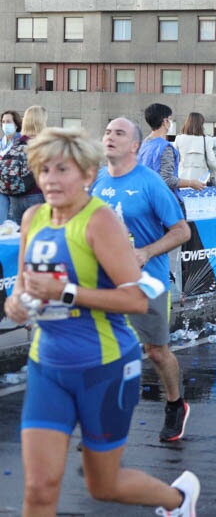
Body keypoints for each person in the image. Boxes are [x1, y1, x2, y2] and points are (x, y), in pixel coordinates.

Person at [3, 128, 199, 516]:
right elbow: (25, 285)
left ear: (88, 175)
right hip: (48, 367)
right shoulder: (32, 218)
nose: (51, 180)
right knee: (39, 489)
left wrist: (67, 293)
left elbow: (136, 299)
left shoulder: (100, 222)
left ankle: (179, 500)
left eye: (63, 169)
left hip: (103, 367)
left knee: (103, 485)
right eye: (44, 170)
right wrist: (16, 302)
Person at [94, 117, 193, 441]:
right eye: (108, 131)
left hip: (147, 282)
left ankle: (175, 404)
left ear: (135, 145)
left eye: (119, 133)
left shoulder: (150, 183)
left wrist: (147, 252)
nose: (110, 137)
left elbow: (181, 231)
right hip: (106, 283)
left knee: (155, 351)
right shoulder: (97, 181)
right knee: (103, 351)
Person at [137, 103, 205, 201]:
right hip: (162, 201)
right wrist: (191, 183)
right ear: (165, 121)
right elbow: (167, 180)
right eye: (170, 119)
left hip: (145, 197)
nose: (171, 122)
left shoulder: (143, 145)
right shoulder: (165, 147)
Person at [4, 105, 47, 224]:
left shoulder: (17, 142)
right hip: (36, 196)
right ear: (41, 122)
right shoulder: (43, 144)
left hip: (15, 198)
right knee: (37, 234)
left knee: (19, 235)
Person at [175, 112, 216, 186]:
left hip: (182, 179)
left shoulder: (179, 138)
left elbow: (174, 159)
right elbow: (211, 161)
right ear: (201, 125)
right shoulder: (207, 140)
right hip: (201, 180)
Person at [0, 110, 22, 222]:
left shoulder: (21, 142)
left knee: (14, 223)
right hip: (1, 188)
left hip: (16, 188)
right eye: (3, 122)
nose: (5, 124)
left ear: (16, 124)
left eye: (8, 121)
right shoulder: (1, 143)